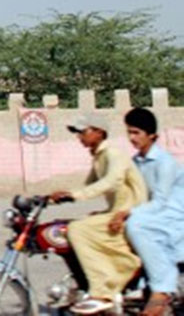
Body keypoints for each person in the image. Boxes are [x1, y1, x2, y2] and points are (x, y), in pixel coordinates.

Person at [50, 113, 148, 315]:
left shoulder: (113, 154)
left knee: (77, 230)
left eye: (83, 132)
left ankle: (102, 293)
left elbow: (112, 181)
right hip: (116, 212)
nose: (79, 137)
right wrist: (50, 198)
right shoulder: (98, 156)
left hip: (132, 214)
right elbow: (89, 185)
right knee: (78, 223)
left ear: (99, 132)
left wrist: (74, 196)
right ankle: (84, 285)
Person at [107, 108, 184, 316]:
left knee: (135, 224)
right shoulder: (135, 162)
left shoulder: (164, 163)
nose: (132, 138)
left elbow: (160, 202)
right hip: (153, 214)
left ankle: (163, 287)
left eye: (136, 133)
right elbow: (130, 194)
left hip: (174, 216)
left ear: (152, 136)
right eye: (129, 132)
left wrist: (127, 213)